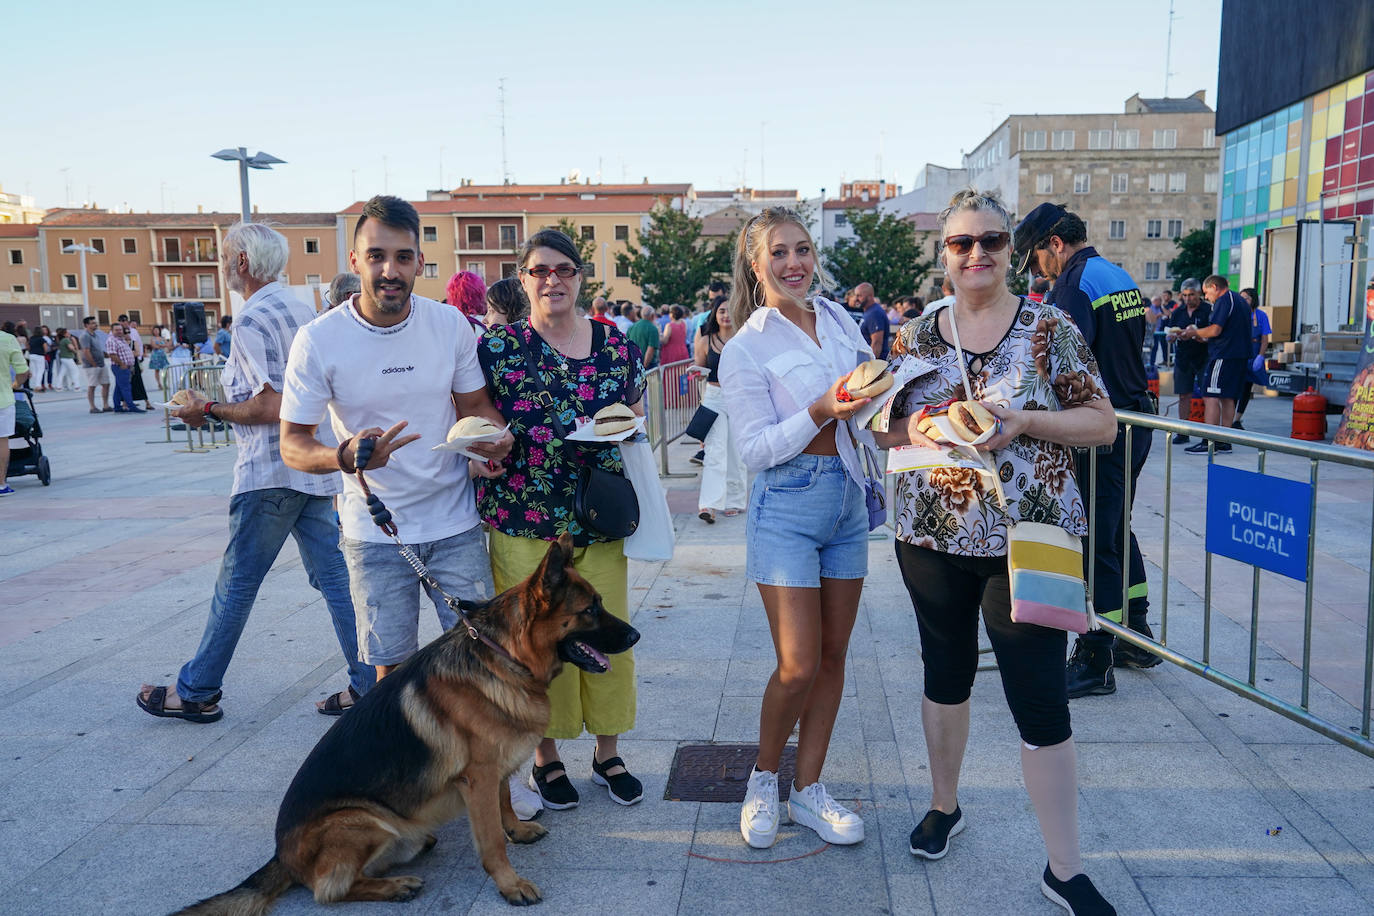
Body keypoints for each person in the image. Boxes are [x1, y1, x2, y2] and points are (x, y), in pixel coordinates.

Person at [882, 189, 1118, 915]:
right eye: (962, 244)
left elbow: (1103, 423)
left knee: (1040, 700)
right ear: (944, 255)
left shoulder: (1050, 328)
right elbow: (885, 427)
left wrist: (1024, 421)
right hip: (930, 534)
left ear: (1011, 250)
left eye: (990, 240)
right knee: (944, 674)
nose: (976, 254)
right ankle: (944, 804)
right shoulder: (918, 333)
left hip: (1032, 537)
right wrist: (917, 431)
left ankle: (1064, 867)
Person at [136, 221, 373, 724]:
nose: (222, 265)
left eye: (225, 256)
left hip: (270, 472)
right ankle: (370, 684)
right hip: (314, 467)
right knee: (335, 579)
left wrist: (209, 409)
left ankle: (196, 690)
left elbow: (272, 405)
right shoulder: (301, 307)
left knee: (237, 584)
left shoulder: (250, 319)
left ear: (242, 262)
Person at [281, 195, 511, 681]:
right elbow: (293, 444)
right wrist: (344, 456)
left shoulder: (447, 323)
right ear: (354, 261)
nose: (390, 270)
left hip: (455, 524)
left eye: (403, 257)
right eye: (377, 256)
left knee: (481, 662)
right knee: (392, 673)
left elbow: (475, 409)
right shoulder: (319, 339)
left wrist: (493, 441)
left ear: (419, 263)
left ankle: (470, 759)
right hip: (374, 532)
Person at [719, 207, 876, 850]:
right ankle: (763, 778)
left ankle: (808, 790)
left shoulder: (839, 320)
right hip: (785, 505)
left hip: (847, 501)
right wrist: (818, 409)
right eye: (779, 253)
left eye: (803, 250)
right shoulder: (746, 345)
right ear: (756, 267)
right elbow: (754, 450)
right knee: (797, 664)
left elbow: (871, 398)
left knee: (834, 658)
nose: (794, 264)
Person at [475, 227, 646, 812]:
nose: (553, 279)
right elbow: (476, 423)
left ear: (581, 277)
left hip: (598, 516)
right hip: (523, 517)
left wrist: (625, 426)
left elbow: (635, 414)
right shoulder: (498, 349)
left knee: (606, 632)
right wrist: (482, 454)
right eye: (540, 270)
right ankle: (545, 759)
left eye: (564, 269)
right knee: (533, 645)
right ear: (523, 281)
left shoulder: (616, 344)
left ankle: (608, 751)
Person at [1015, 201, 1160, 696]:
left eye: (1035, 258)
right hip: (1133, 417)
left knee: (1096, 536)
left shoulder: (1073, 286)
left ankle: (1096, 655)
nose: (1037, 270)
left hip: (1100, 427)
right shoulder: (1115, 274)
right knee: (1117, 523)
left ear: (1055, 244)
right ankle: (1135, 633)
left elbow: (1065, 366)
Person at [1181, 275, 1252, 452]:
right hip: (1239, 355)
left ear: (1214, 287)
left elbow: (1216, 329)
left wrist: (1194, 332)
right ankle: (1224, 441)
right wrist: (1203, 338)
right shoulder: (1240, 300)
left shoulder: (1223, 300)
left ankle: (1209, 440)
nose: (1206, 297)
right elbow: (1228, 331)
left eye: (1207, 293)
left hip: (1223, 355)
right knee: (1228, 397)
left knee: (1210, 395)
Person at [693, 297, 745, 523]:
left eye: (729, 310)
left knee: (735, 451)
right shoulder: (705, 339)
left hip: (738, 397)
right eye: (721, 310)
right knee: (714, 451)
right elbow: (701, 367)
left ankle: (734, 500)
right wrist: (696, 372)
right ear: (714, 314)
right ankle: (709, 504)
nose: (725, 315)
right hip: (713, 397)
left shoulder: (745, 339)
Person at [1166, 279, 1211, 442]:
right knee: (1183, 394)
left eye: (1191, 294)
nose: (1188, 298)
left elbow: (1214, 332)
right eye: (1184, 295)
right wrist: (1172, 336)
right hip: (1183, 357)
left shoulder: (1207, 310)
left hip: (1204, 357)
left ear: (1199, 293)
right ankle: (1183, 431)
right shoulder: (1178, 312)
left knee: (1208, 396)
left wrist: (1198, 335)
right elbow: (1170, 332)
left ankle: (1208, 434)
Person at [1232, 287, 1270, 429]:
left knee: (1247, 388)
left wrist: (1260, 356)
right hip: (1239, 352)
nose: (1243, 300)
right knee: (1235, 387)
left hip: (1253, 353)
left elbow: (1264, 339)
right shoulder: (1237, 314)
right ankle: (1228, 418)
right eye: (1241, 297)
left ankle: (1237, 419)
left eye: (1246, 298)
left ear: (1253, 299)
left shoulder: (1261, 315)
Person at [0, 323, 30, 496]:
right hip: (3, 399)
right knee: (2, 441)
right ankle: (1, 484)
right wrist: (15, 385)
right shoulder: (8, 339)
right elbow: (23, 371)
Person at [104, 322, 142, 413]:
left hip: (126, 367)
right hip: (120, 367)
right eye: (116, 330)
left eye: (120, 330)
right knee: (126, 387)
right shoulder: (111, 340)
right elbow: (112, 354)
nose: (119, 331)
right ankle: (131, 406)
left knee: (119, 387)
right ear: (112, 331)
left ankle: (117, 407)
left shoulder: (121, 339)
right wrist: (122, 364)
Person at [77, 316, 112, 413]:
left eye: (95, 322)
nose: (95, 324)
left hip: (101, 363)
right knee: (92, 385)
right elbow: (86, 351)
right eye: (92, 323)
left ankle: (105, 405)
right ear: (86, 325)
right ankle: (92, 407)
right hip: (91, 365)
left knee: (106, 384)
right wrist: (93, 363)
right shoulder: (85, 336)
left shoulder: (95, 335)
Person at [855, 282, 892, 361]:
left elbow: (877, 343)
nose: (856, 299)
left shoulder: (875, 313)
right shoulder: (869, 311)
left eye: (859, 295)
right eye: (856, 295)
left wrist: (871, 366)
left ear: (870, 296)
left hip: (876, 364)